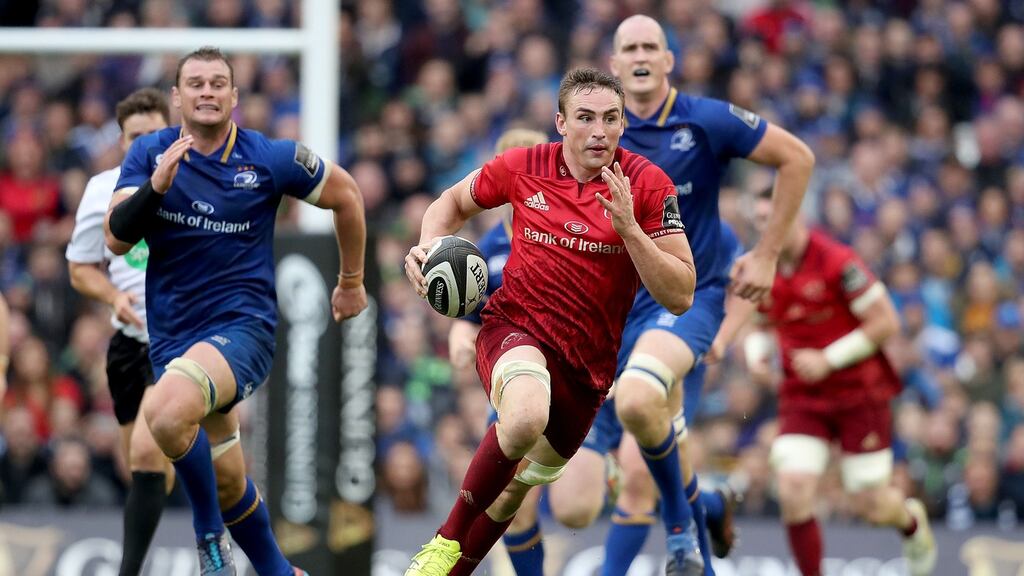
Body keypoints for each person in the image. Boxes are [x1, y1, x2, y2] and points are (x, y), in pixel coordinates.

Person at [513, 15, 814, 576]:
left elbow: (797, 157)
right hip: (604, 325)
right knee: (573, 508)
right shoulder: (592, 141)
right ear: (614, 64)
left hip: (679, 307)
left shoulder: (704, 122)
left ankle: (682, 532)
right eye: (629, 48)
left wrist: (767, 255)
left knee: (639, 416)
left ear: (669, 59)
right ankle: (707, 503)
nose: (641, 55)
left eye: (651, 45)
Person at [404, 67, 695, 576]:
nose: (599, 131)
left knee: (515, 493)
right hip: (514, 328)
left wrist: (630, 229)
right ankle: (445, 539)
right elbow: (450, 203)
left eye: (610, 119)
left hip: (588, 371)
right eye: (585, 117)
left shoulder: (648, 185)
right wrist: (428, 247)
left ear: (623, 124)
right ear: (561, 123)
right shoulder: (524, 166)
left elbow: (681, 295)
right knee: (523, 416)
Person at [104, 47, 367, 576]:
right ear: (177, 96)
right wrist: (156, 188)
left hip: (242, 329)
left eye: (218, 83)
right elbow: (115, 238)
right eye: (196, 83)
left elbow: (347, 196)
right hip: (174, 337)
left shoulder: (269, 158)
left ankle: (209, 541)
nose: (207, 91)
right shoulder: (151, 152)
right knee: (227, 481)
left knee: (164, 412)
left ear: (234, 95)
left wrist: (351, 282)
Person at [707, 189, 937, 576]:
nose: (766, 229)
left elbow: (886, 322)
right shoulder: (762, 268)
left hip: (859, 395)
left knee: (871, 504)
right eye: (759, 221)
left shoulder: (837, 262)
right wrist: (758, 357)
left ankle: (911, 521)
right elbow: (761, 324)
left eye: (771, 219)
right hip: (803, 396)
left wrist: (828, 359)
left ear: (796, 215)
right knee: (793, 488)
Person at [66, 87, 172, 576]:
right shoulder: (102, 189)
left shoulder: (196, 181)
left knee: (150, 453)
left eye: (154, 134)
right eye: (136, 136)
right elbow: (80, 268)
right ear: (122, 141)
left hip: (183, 341)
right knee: (144, 467)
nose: (146, 144)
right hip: (129, 345)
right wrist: (114, 297)